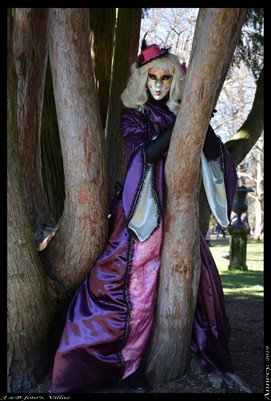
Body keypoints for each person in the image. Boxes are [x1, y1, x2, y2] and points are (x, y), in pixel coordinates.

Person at [51, 37, 237, 394]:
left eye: (167, 79)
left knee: (190, 287)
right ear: (142, 79)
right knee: (135, 290)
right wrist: (183, 123)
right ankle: (123, 367)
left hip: (177, 218)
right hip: (141, 214)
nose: (158, 85)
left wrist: (198, 119)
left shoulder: (182, 111)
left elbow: (214, 153)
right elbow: (143, 156)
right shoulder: (133, 116)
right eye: (152, 77)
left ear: (176, 82)